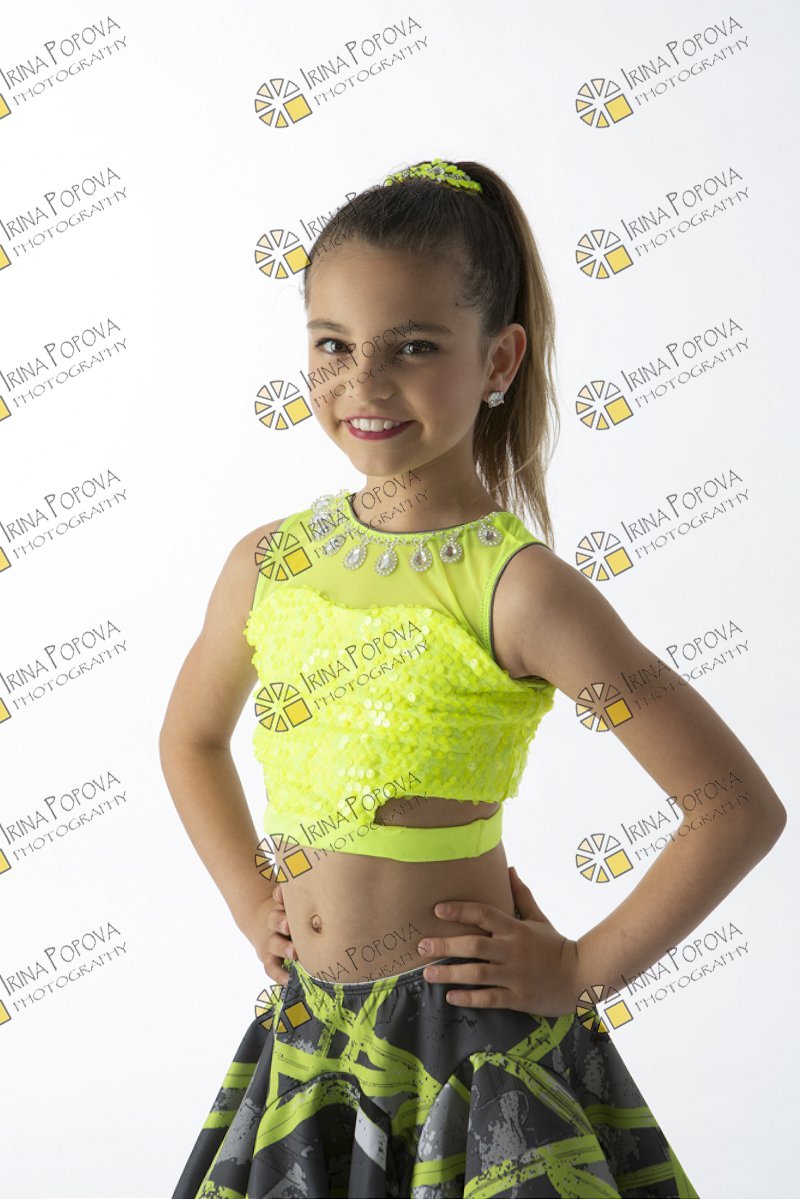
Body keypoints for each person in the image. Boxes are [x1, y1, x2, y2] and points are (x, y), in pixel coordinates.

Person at [161, 157, 786, 1199]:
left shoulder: (519, 591)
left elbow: (732, 806)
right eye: (333, 345)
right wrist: (246, 893)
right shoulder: (268, 562)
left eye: (413, 346)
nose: (364, 383)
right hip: (311, 1044)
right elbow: (190, 738)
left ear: (498, 357)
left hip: (468, 1053)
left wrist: (580, 968)